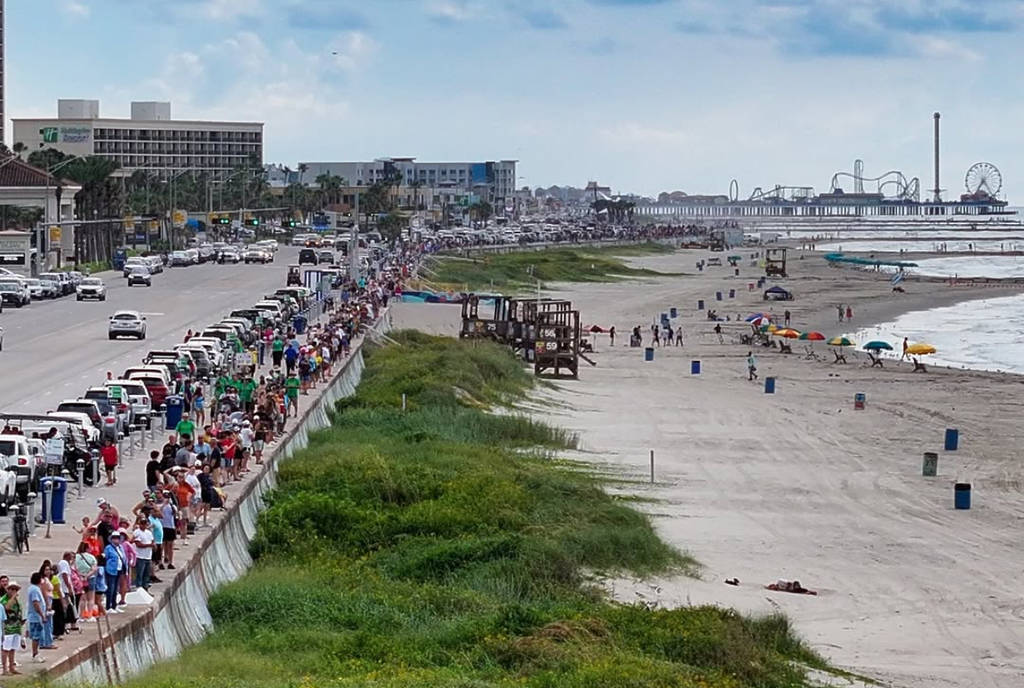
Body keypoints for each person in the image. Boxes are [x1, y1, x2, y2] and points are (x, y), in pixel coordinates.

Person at [2, 581, 24, 673]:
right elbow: (6, 607)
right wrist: (13, 597)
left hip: (16, 627)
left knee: (13, 648)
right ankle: (5, 669)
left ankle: (11, 667)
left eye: (15, 589)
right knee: (6, 648)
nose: (14, 591)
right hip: (8, 628)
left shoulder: (17, 600)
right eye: (12, 589)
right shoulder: (4, 599)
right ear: (8, 590)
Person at [102, 533, 125, 613]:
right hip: (111, 570)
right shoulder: (108, 548)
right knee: (110, 588)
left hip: (119, 569)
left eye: (118, 538)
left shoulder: (120, 547)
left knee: (116, 588)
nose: (116, 540)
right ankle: (109, 606)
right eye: (114, 538)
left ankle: (114, 605)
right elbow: (105, 558)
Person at [26, 574, 46, 663]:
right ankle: (35, 654)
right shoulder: (34, 590)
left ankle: (36, 653)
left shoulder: (33, 588)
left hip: (35, 616)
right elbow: (36, 603)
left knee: (36, 636)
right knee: (36, 636)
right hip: (36, 617)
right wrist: (42, 615)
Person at [132, 518, 154, 591]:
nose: (144, 525)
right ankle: (139, 589)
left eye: (145, 523)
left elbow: (152, 541)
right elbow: (138, 544)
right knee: (140, 575)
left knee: (147, 575)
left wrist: (153, 546)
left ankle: (146, 589)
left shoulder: (149, 532)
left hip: (148, 556)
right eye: (142, 523)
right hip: (140, 557)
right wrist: (149, 545)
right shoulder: (137, 532)